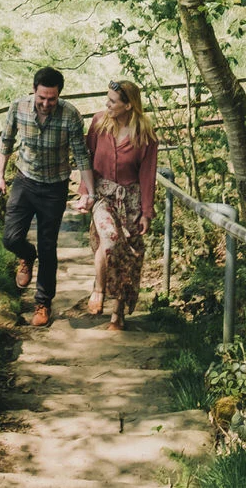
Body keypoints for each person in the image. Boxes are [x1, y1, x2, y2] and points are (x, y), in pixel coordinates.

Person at [0, 66, 91, 327]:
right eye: (42, 98)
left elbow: (81, 155)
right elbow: (6, 141)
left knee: (48, 247)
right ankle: (26, 255)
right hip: (24, 181)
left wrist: (88, 191)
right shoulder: (18, 107)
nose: (46, 104)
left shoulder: (70, 115)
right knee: (11, 238)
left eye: (52, 99)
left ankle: (43, 303)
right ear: (33, 91)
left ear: (59, 95)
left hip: (55, 188)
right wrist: (0, 176)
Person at [84, 80, 158, 330]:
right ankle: (98, 289)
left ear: (128, 105)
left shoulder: (145, 134)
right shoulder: (99, 123)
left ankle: (118, 313)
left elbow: (148, 175)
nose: (107, 104)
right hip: (103, 195)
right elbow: (86, 160)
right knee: (109, 238)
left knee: (128, 256)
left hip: (131, 200)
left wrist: (146, 212)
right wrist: (85, 193)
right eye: (108, 99)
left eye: (113, 101)